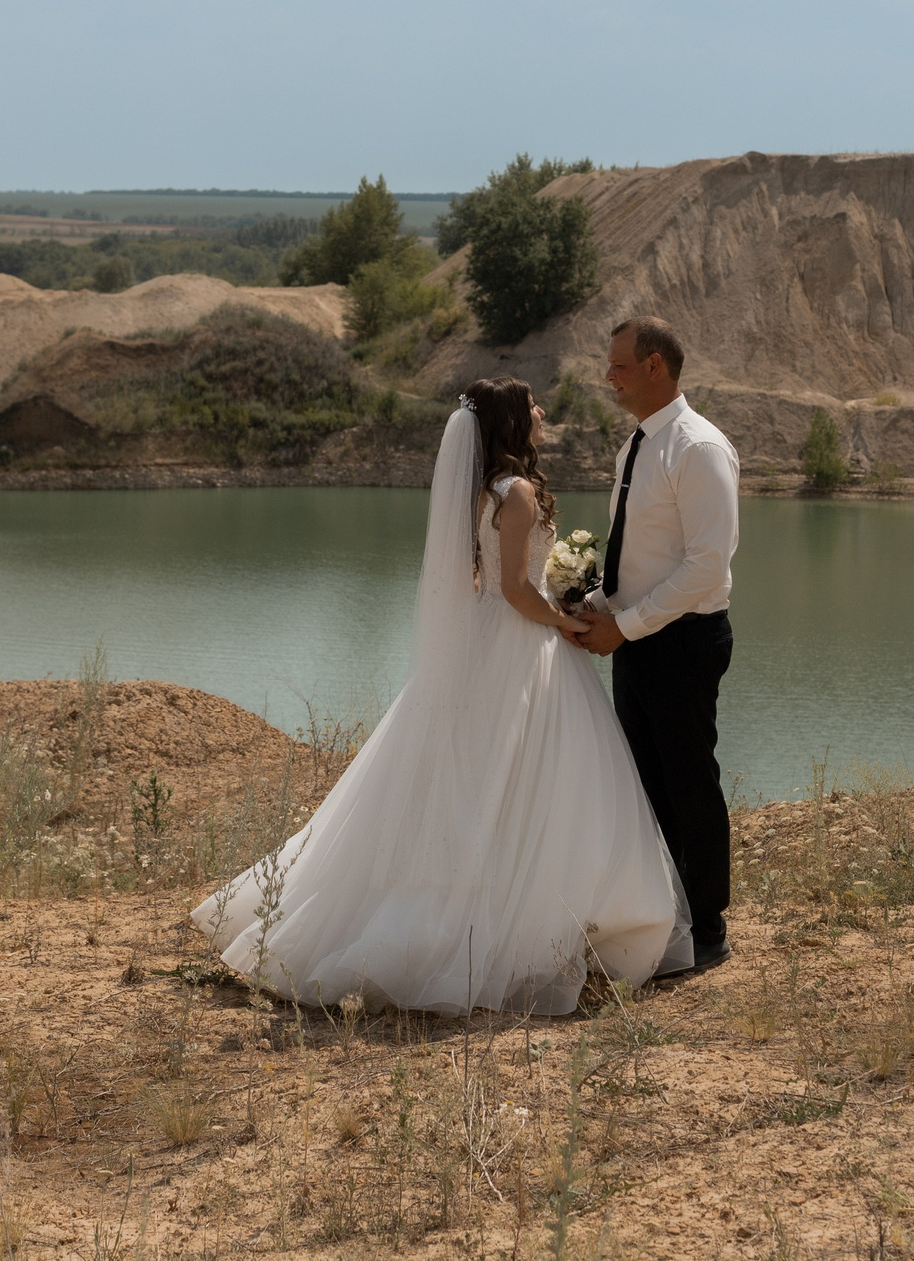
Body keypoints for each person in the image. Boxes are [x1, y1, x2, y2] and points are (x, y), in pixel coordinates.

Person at [196, 378, 691, 1014]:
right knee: (533, 778)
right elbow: (515, 589)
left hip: (491, 639)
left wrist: (558, 598)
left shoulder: (483, 490)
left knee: (482, 775)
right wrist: (567, 622)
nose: (542, 412)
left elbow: (491, 582)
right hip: (519, 643)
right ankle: (525, 926)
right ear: (514, 422)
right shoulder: (515, 493)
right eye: (533, 406)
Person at [567, 316, 740, 970]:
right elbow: (637, 555)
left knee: (688, 777)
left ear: (654, 368)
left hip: (683, 640)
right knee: (643, 782)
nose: (607, 376)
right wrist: (596, 606)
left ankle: (708, 929)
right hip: (637, 635)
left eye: (617, 365)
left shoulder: (698, 448)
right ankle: (662, 919)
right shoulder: (638, 445)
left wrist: (625, 625)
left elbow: (704, 566)